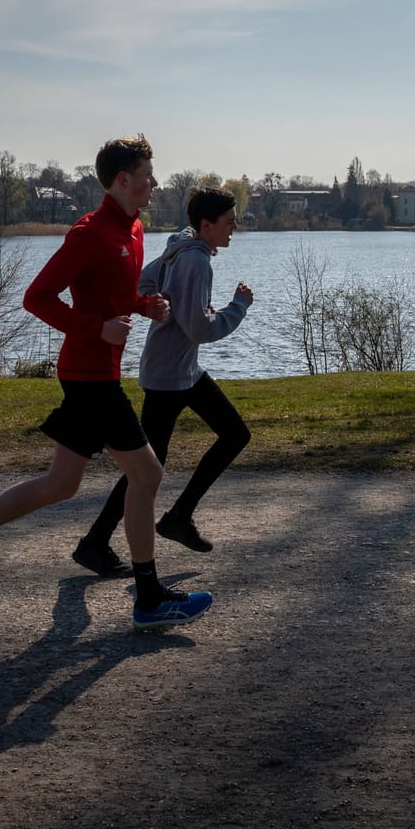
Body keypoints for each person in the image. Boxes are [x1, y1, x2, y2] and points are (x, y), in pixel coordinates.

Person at [0, 135, 213, 632]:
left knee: (61, 484)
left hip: (96, 372)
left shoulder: (133, 230)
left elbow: (117, 294)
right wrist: (96, 328)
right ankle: (149, 598)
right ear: (123, 179)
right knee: (148, 476)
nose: (154, 182)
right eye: (147, 173)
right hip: (89, 375)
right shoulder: (89, 233)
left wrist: (145, 305)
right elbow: (38, 298)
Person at [72, 185, 255, 572]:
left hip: (179, 370)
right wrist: (237, 307)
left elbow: (143, 285)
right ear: (206, 225)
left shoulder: (182, 247)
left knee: (232, 434)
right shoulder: (196, 261)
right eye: (229, 222)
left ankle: (174, 518)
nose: (234, 228)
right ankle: (100, 541)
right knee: (147, 466)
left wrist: (165, 306)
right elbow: (198, 331)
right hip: (169, 375)